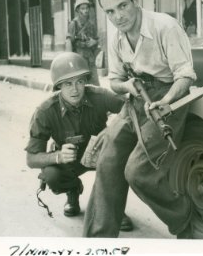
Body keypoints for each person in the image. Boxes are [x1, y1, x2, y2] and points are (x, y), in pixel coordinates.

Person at [82, 0, 197, 239]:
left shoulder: (164, 26)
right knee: (108, 161)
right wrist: (128, 87)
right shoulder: (116, 38)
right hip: (136, 100)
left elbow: (186, 76)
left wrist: (165, 101)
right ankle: (98, 241)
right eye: (110, 11)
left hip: (170, 98)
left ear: (135, 0)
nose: (117, 17)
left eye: (122, 6)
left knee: (137, 171)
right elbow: (114, 81)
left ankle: (186, 221)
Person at [25, 52, 133, 231]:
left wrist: (111, 129)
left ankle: (114, 207)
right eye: (67, 84)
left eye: (79, 82)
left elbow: (131, 108)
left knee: (123, 155)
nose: (74, 89)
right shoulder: (45, 112)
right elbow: (31, 159)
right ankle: (73, 190)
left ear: (85, 81)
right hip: (70, 160)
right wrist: (58, 157)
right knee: (52, 175)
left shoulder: (99, 96)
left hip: (102, 154)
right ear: (58, 86)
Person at [66, 0, 100, 85]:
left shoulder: (91, 24)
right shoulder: (74, 24)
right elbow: (69, 41)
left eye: (87, 8)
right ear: (78, 10)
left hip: (91, 58)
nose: (86, 10)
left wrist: (94, 42)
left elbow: (97, 41)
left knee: (94, 84)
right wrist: (70, 61)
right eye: (82, 8)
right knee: (81, 83)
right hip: (79, 58)